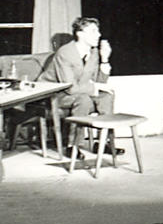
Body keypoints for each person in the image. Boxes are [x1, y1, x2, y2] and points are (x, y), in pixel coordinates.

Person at [41, 17, 117, 154]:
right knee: (83, 99)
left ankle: (103, 143)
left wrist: (105, 59)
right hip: (55, 94)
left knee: (106, 96)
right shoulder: (65, 53)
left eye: (98, 31)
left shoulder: (93, 52)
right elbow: (70, 88)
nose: (99, 35)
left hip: (78, 91)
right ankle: (73, 146)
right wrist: (96, 87)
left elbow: (99, 82)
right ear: (80, 34)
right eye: (94, 31)